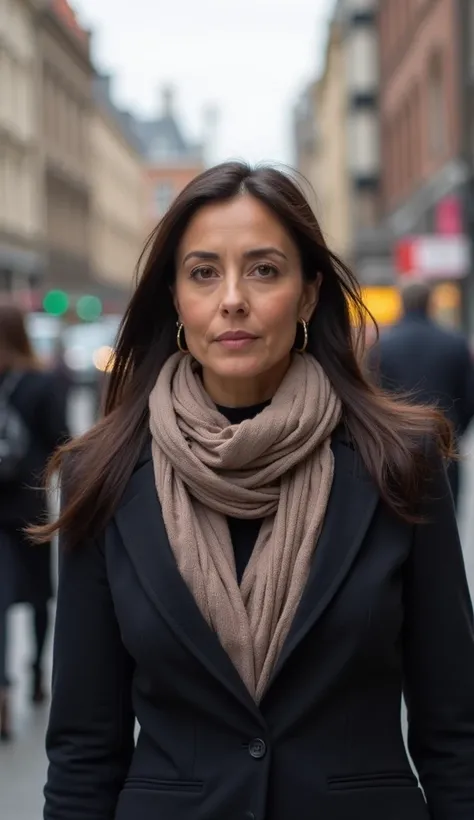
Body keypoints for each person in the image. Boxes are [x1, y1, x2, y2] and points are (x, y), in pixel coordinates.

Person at [37, 163, 474, 820]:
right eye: (204, 272)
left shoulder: (400, 461)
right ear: (176, 297)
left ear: (306, 295)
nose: (232, 298)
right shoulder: (105, 473)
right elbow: (83, 749)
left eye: (264, 269)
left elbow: (455, 732)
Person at [0, 303, 69, 741]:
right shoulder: (42, 383)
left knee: (1, 602)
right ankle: (36, 676)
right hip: (30, 508)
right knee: (40, 597)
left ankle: (4, 688)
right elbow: (60, 442)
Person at [369, 280, 474, 506]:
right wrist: (454, 430)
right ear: (430, 304)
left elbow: (372, 396)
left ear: (402, 303)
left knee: (401, 514)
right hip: (445, 442)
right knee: (446, 514)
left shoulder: (382, 346)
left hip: (398, 443)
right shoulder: (454, 343)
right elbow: (469, 396)